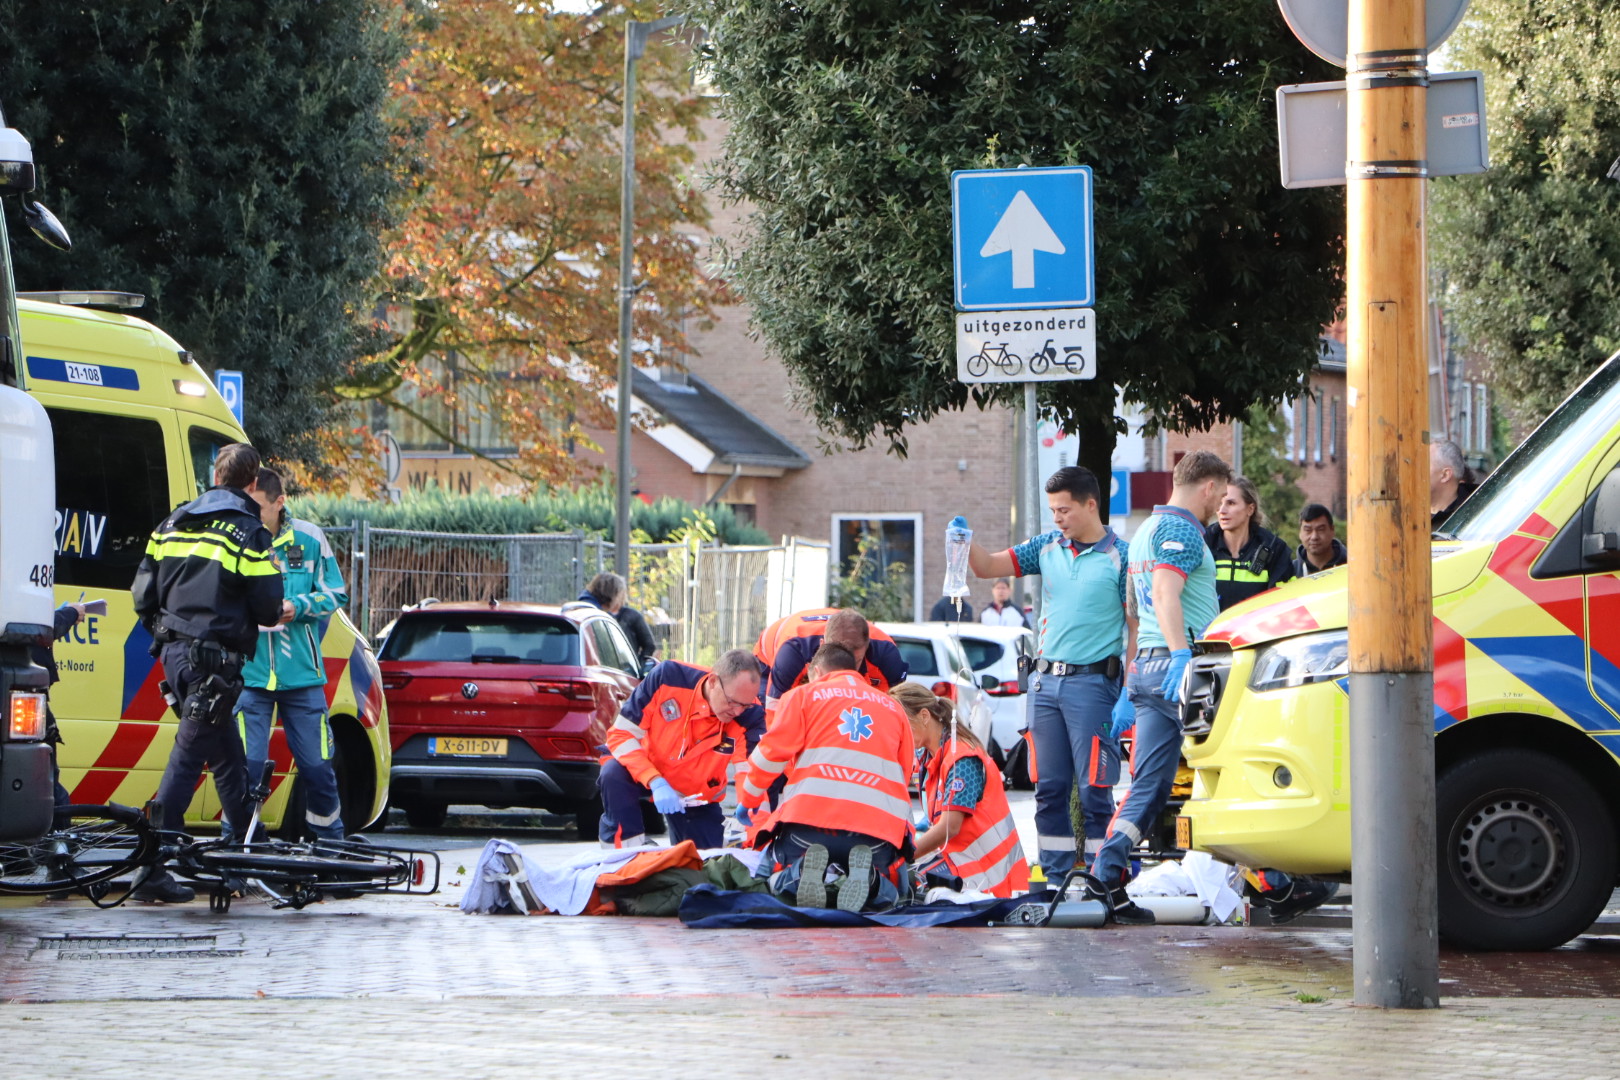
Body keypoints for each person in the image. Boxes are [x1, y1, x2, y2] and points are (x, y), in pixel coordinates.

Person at [963, 466, 1133, 881]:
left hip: (1094, 685)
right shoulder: (1046, 546)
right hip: (1044, 685)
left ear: (1091, 505)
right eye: (1053, 510)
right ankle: (1056, 878)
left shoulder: (1122, 556)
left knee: (1095, 790)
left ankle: (1101, 878)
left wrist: (1128, 688)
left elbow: (1135, 626)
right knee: (1049, 789)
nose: (1057, 518)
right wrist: (963, 543)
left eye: (1064, 509)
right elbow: (986, 567)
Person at [131, 442, 284, 903]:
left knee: (226, 758)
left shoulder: (174, 521)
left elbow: (142, 594)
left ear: (215, 476)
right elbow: (269, 606)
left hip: (174, 658)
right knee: (186, 760)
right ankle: (150, 866)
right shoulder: (248, 532)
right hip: (213, 667)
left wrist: (168, 630)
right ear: (253, 484)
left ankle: (247, 853)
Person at [1100, 449, 1231, 925]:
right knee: (1230, 768)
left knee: (1149, 787)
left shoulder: (1141, 536)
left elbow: (1134, 618)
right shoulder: (1181, 530)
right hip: (1187, 670)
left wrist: (1127, 685)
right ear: (1210, 487)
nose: (1219, 507)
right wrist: (1181, 653)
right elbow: (1163, 593)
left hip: (1147, 672)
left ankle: (1106, 871)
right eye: (1219, 496)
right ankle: (1275, 881)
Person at [736, 643, 915, 911]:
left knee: (764, 877)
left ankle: (796, 874)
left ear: (816, 671)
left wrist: (748, 798)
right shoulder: (893, 708)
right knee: (900, 894)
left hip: (808, 828)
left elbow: (771, 754)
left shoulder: (802, 696)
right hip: (877, 833)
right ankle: (873, 880)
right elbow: (905, 771)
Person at [231, 467, 349, 842]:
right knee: (245, 767)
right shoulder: (239, 536)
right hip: (251, 673)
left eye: (259, 508)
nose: (252, 515)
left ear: (280, 503)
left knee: (317, 766)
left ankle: (330, 843)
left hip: (301, 676)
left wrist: (294, 607)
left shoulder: (311, 539)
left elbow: (336, 594)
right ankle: (239, 847)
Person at [600, 648, 765, 849]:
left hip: (695, 795)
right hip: (646, 772)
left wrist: (748, 803)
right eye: (732, 702)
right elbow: (621, 734)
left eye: (745, 705)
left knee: (702, 863)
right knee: (613, 774)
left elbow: (749, 770)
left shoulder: (752, 715)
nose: (738, 711)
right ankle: (626, 858)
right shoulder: (668, 678)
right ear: (713, 682)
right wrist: (655, 781)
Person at [894, 682, 1028, 898]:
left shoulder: (962, 760)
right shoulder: (930, 758)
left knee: (905, 889)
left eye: (902, 724)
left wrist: (902, 857)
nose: (899, 733)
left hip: (990, 883)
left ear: (924, 716)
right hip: (965, 872)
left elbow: (950, 827)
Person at [754, 607, 907, 716]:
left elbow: (892, 713)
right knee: (761, 718)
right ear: (823, 644)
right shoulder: (794, 652)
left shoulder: (887, 658)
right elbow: (774, 713)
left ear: (867, 648)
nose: (847, 671)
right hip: (768, 658)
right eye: (838, 662)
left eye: (856, 662)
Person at [1205, 477, 1295, 611]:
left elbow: (1287, 604)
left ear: (1250, 509)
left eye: (1231, 503)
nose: (1222, 510)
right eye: (1220, 502)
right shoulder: (1204, 543)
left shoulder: (1274, 549)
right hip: (1210, 631)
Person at [580, 571, 656, 669]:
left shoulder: (583, 609)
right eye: (620, 594)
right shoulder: (596, 615)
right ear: (612, 594)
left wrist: (638, 665)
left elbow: (649, 645)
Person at [1430, 439, 1477, 529]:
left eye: (1422, 465)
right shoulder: (1404, 513)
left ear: (1445, 475)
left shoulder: (1477, 518)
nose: (1413, 471)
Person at [1294, 504, 1348, 576]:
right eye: (1308, 530)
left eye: (1320, 530)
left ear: (1332, 530)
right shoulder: (1289, 571)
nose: (1314, 537)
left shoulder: (1352, 566)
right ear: (1300, 532)